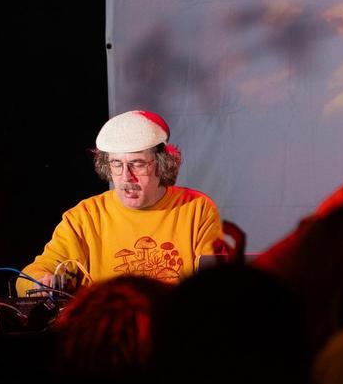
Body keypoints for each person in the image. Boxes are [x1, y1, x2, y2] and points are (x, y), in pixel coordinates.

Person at [20, 110, 222, 290]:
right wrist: (42, 281)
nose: (126, 177)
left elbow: (215, 282)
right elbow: (27, 278)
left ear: (162, 164)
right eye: (116, 164)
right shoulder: (84, 216)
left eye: (138, 164)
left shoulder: (197, 209)